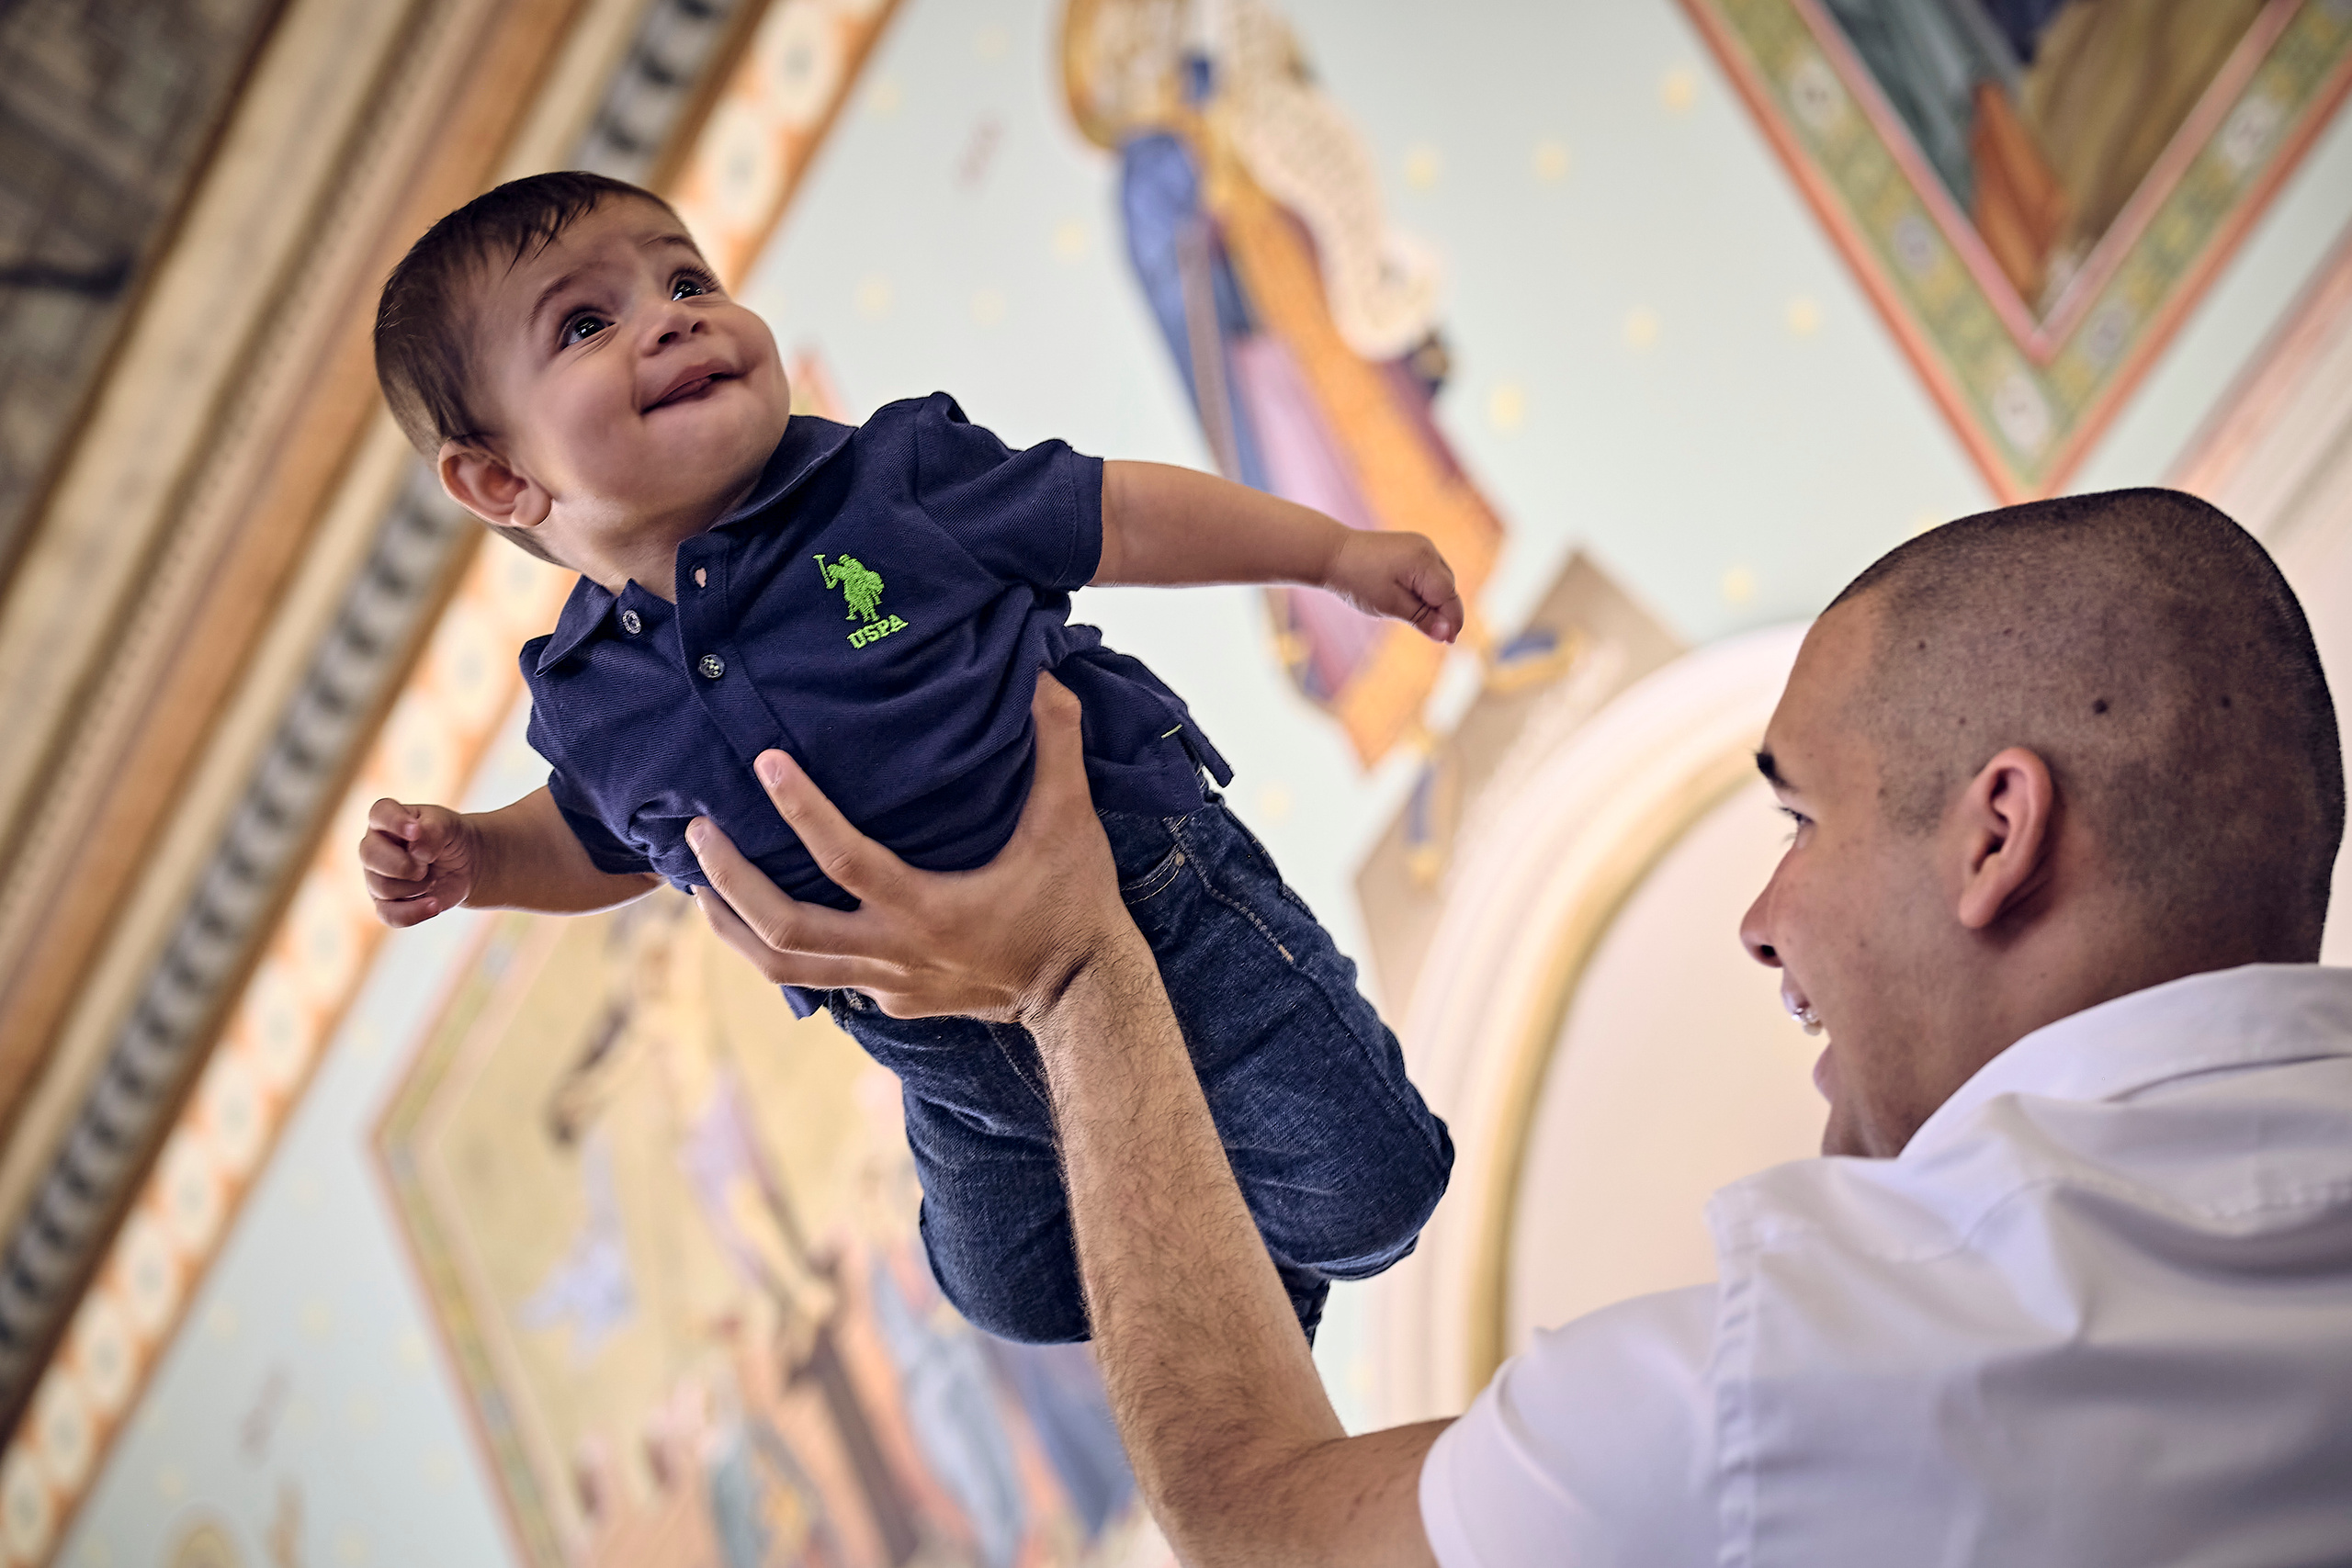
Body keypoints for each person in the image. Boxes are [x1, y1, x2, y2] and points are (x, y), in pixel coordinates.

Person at [682, 487, 2352, 1565]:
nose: (1761, 916)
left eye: (1800, 819)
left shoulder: (1796, 1388)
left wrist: (1071, 976)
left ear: (1994, 834)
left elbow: (1265, 1524)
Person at [355, 171, 1457, 1347]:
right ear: (499, 478)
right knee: (1018, 1298)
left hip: (1153, 906)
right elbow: (595, 838)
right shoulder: (590, 698)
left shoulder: (892, 482)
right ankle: (1236, 1267)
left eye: (686, 280)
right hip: (934, 1043)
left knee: (1375, 1196)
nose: (673, 319)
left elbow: (1122, 517)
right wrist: (479, 857)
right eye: (586, 323)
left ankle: (1269, 1262)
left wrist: (1331, 556)